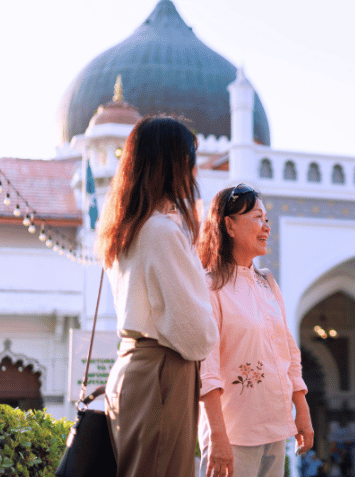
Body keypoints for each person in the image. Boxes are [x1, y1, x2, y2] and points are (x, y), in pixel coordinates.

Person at [96, 116, 219, 477]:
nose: (195, 173)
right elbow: (196, 334)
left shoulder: (126, 229)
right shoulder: (162, 232)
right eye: (189, 161)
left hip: (134, 368)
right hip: (162, 374)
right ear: (172, 166)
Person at [196, 184, 314, 477]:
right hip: (233, 434)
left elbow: (288, 349)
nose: (266, 228)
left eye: (267, 220)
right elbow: (205, 367)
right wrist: (217, 437)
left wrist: (302, 409)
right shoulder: (208, 286)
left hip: (274, 428)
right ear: (229, 225)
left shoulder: (266, 282)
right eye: (257, 218)